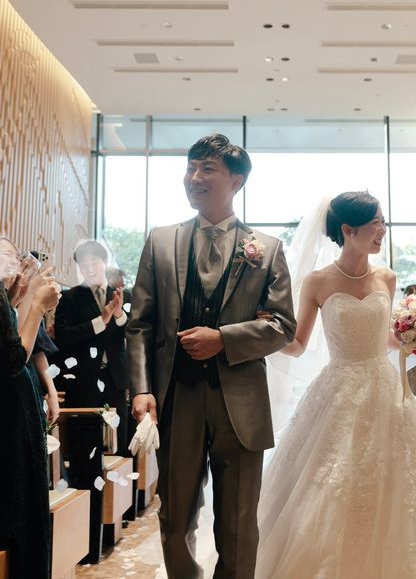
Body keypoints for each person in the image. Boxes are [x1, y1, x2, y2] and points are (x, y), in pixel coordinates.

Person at [255, 192, 416, 578]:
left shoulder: (386, 278)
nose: (383, 230)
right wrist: (264, 334)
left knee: (402, 482)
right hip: (338, 391)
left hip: (385, 391)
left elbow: (387, 338)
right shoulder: (317, 282)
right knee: (330, 485)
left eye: (383, 222)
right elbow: (299, 344)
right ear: (348, 229)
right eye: (376, 222)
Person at [126, 134, 296, 579]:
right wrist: (141, 388)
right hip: (177, 397)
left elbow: (283, 325)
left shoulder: (266, 248)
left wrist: (224, 338)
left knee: (238, 523)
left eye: (207, 169)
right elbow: (140, 323)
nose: (194, 177)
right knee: (174, 516)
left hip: (240, 403)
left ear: (236, 181)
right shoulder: (161, 241)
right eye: (191, 167)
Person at [0, 237, 60, 579]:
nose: (16, 261)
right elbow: (11, 358)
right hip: (8, 424)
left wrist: (15, 299)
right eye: (7, 255)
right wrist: (36, 306)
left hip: (18, 414)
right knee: (19, 515)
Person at [54, 240, 130, 452]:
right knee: (83, 446)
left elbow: (134, 334)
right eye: (83, 264)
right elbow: (63, 337)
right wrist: (100, 321)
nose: (89, 269)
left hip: (115, 380)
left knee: (119, 446)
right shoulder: (69, 298)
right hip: (82, 380)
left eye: (94, 262)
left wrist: (119, 315)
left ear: (104, 263)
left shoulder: (124, 295)